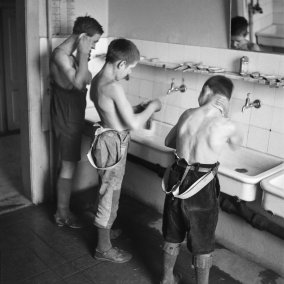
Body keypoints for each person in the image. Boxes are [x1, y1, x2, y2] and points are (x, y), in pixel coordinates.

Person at [161, 75, 243, 284]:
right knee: (202, 241)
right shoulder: (227, 124)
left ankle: (166, 279)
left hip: (177, 180)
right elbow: (236, 145)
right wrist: (229, 113)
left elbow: (169, 141)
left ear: (207, 89)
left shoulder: (187, 114)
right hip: (202, 185)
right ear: (225, 99)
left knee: (173, 231)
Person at [88, 38, 162, 263]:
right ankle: (103, 248)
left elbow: (111, 110)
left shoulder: (99, 79)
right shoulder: (113, 86)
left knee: (107, 191)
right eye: (129, 68)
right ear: (120, 64)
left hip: (106, 139)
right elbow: (135, 124)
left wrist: (133, 109)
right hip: (113, 143)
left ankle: (106, 232)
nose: (129, 73)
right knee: (110, 197)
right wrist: (152, 106)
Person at [50, 16, 104, 228]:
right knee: (68, 165)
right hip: (66, 119)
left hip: (72, 117)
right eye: (93, 42)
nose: (93, 47)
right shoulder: (61, 55)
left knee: (68, 163)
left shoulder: (70, 57)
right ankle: (61, 214)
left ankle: (62, 211)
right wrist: (83, 53)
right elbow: (81, 80)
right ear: (83, 37)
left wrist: (83, 56)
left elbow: (84, 78)